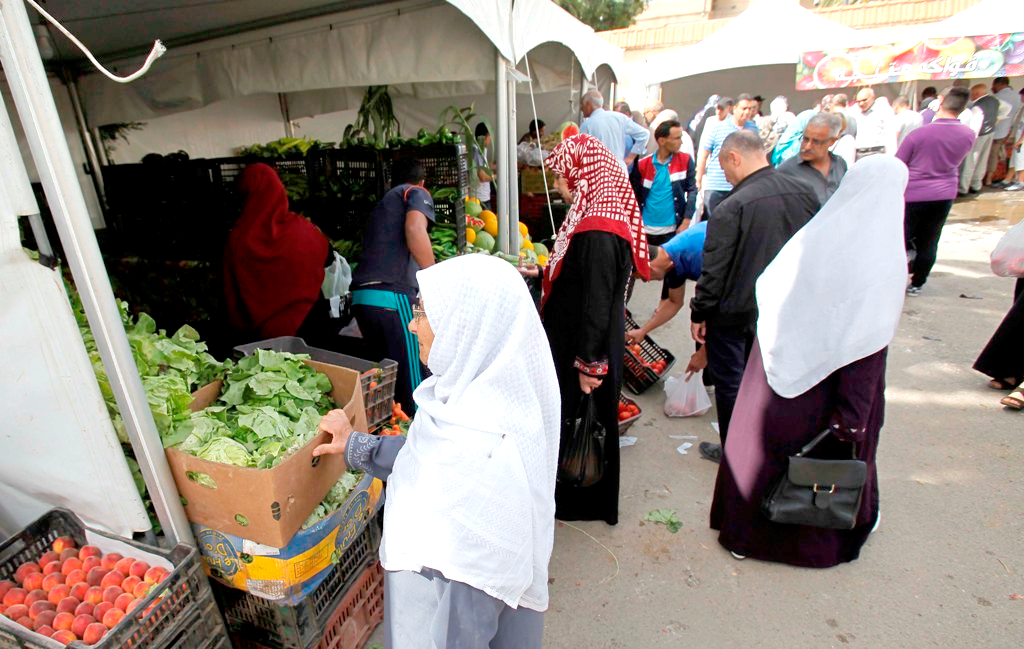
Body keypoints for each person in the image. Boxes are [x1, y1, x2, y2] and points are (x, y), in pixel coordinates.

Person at [312, 254, 561, 649]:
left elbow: (459, 629)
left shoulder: (476, 478)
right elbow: (423, 459)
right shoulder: (479, 411)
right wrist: (356, 446)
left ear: (469, 324)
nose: (412, 324)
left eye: (424, 311)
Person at [710, 155, 908, 567]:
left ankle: (744, 535)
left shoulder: (818, 234)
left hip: (775, 370)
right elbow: (866, 346)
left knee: (761, 456)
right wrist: (853, 416)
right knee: (815, 463)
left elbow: (771, 288)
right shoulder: (879, 256)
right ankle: (809, 542)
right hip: (829, 386)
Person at [524, 133, 650, 525]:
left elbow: (597, 301)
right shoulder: (601, 218)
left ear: (582, 175)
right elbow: (588, 282)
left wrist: (588, 366)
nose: (559, 185)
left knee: (583, 422)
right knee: (582, 422)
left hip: (584, 344)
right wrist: (544, 272)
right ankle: (577, 495)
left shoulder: (598, 228)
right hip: (583, 338)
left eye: (563, 177)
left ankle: (581, 501)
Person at [690, 130, 819, 463]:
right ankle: (769, 444)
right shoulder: (805, 194)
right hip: (785, 308)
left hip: (735, 312)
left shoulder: (733, 205)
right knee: (771, 378)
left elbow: (714, 268)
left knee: (731, 383)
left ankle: (735, 451)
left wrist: (700, 311)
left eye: (726, 168)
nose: (728, 177)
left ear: (734, 157)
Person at [351, 158, 436, 413]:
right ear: (422, 182)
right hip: (392, 297)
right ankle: (418, 439)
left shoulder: (385, 203)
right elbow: (414, 229)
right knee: (415, 381)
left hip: (363, 300)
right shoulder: (415, 192)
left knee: (387, 383)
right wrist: (434, 276)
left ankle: (391, 437)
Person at [223, 163, 331, 344]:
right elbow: (326, 255)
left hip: (259, 339)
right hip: (307, 325)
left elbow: (231, 294)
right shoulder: (303, 230)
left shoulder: (238, 239)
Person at [896, 87, 976, 296]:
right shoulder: (967, 135)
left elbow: (899, 163)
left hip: (913, 194)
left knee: (901, 239)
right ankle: (917, 283)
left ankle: (895, 278)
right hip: (944, 193)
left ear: (939, 101)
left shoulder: (920, 134)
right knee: (930, 239)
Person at [628, 222, 710, 377]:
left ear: (651, 269)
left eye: (645, 278)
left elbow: (719, 300)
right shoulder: (670, 262)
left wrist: (704, 354)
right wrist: (643, 331)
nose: (648, 282)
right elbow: (674, 302)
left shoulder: (694, 257)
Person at [630, 119, 697, 248]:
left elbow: (692, 190)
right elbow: (634, 196)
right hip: (645, 229)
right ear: (662, 141)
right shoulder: (643, 165)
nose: (681, 142)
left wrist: (686, 221)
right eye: (676, 138)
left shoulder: (686, 160)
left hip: (672, 230)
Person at [696, 94, 759, 219]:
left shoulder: (753, 129)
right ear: (734, 108)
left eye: (750, 109)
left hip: (741, 185)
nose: (747, 112)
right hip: (716, 185)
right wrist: (699, 179)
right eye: (744, 108)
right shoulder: (717, 128)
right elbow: (704, 154)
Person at [778, 112, 848, 204]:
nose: (807, 147)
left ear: (832, 141)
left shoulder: (839, 164)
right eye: (805, 139)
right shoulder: (787, 170)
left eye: (816, 142)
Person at [579, 89, 650, 170]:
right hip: (619, 171)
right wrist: (631, 157)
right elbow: (644, 134)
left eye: (582, 105)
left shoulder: (587, 125)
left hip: (599, 173)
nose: (581, 109)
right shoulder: (619, 117)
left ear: (588, 104)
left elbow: (582, 154)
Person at [959, 84, 1005, 196]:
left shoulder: (977, 106)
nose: (971, 97)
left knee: (970, 162)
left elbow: (975, 125)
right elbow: (1006, 108)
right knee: (983, 160)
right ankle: (976, 185)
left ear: (977, 94)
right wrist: (996, 121)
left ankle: (963, 188)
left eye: (972, 94)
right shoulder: (995, 100)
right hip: (990, 132)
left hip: (979, 135)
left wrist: (970, 141)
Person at [987, 77, 1021, 187]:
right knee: (1010, 157)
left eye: (994, 85)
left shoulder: (996, 97)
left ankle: (990, 178)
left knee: (994, 155)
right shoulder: (1017, 96)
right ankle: (1007, 177)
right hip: (1012, 132)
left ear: (999, 84)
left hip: (998, 132)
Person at [851, 87, 896, 158]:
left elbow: (890, 134)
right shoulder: (856, 113)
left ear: (872, 97)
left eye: (864, 100)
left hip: (877, 152)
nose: (861, 103)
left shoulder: (883, 110)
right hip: (860, 153)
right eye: (858, 101)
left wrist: (891, 156)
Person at [472, 123, 495, 209]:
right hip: (480, 199)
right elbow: (483, 177)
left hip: (482, 197)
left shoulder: (481, 150)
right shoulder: (476, 152)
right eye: (490, 136)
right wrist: (500, 176)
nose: (490, 140)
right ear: (486, 136)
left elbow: (483, 166)